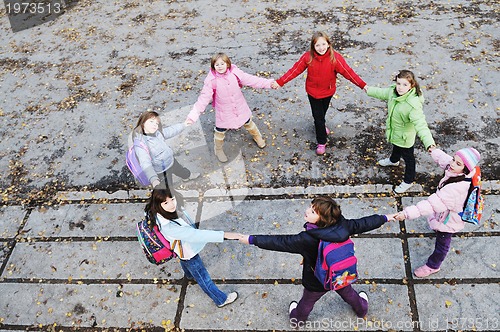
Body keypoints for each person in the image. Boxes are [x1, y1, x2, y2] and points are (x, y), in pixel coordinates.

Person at [229, 196, 396, 324]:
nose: (307, 211)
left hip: (317, 278)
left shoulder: (307, 238)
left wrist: (251, 239)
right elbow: (364, 223)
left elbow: (279, 242)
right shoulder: (343, 225)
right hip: (340, 273)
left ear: (322, 219)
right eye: (310, 207)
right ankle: (361, 310)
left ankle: (297, 320)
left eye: (313, 211)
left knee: (307, 301)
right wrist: (386, 217)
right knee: (348, 293)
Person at [271, 31, 367, 156]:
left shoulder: (335, 58)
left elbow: (349, 73)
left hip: (328, 92)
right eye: (317, 45)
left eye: (323, 44)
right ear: (313, 47)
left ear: (328, 44)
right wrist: (280, 82)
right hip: (313, 93)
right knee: (318, 118)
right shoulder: (308, 57)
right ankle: (322, 141)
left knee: (321, 114)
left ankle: (321, 126)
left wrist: (363, 85)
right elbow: (294, 70)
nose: (321, 48)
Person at [146, 183, 240, 307]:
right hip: (187, 251)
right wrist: (225, 235)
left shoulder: (155, 212)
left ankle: (189, 275)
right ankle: (221, 299)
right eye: (166, 203)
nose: (172, 204)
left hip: (180, 248)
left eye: (172, 199)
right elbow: (197, 235)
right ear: (159, 204)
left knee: (185, 261)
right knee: (203, 278)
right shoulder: (170, 227)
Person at [394, 147, 481, 277]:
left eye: (458, 163)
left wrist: (406, 213)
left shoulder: (455, 189)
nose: (452, 164)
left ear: (466, 168)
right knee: (440, 232)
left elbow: (431, 204)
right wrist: (434, 151)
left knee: (442, 244)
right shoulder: (460, 172)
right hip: (446, 212)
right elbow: (444, 159)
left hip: (449, 220)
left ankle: (433, 266)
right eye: (454, 159)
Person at [185, 52, 274, 162]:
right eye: (217, 65)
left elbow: (252, 80)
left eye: (222, 63)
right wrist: (193, 116)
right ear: (213, 67)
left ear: (228, 64)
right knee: (220, 130)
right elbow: (202, 99)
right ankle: (218, 149)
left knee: (248, 122)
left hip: (239, 107)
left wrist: (269, 83)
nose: (220, 66)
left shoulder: (235, 74)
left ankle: (257, 136)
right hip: (224, 111)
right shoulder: (211, 81)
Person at [364, 70, 436, 193]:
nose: (400, 88)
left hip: (405, 138)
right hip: (396, 133)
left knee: (409, 159)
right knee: (396, 147)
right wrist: (368, 89)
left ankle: (408, 181)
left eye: (404, 85)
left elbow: (421, 125)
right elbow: (382, 92)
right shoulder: (393, 92)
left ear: (411, 85)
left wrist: (430, 143)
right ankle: (394, 160)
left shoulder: (412, 105)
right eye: (398, 83)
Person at [132, 110, 199, 189]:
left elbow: (170, 131)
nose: (154, 125)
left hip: (170, 160)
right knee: (168, 187)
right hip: (161, 171)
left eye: (156, 123)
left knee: (181, 170)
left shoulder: (157, 132)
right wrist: (154, 179)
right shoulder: (141, 144)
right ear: (143, 123)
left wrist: (183, 125)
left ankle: (187, 176)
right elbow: (145, 164)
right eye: (151, 121)